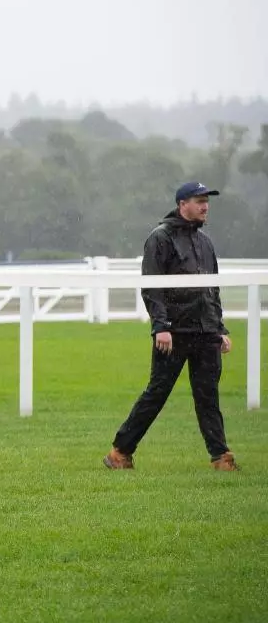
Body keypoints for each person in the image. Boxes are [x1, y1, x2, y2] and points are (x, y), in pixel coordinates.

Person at [103, 181, 239, 472]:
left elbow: (212, 290)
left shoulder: (205, 242)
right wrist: (160, 326)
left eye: (206, 201)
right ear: (182, 204)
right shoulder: (160, 238)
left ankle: (221, 457)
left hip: (205, 332)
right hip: (173, 333)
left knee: (208, 396)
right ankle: (120, 452)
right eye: (199, 200)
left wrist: (219, 329)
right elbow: (152, 287)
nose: (205, 206)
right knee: (157, 393)